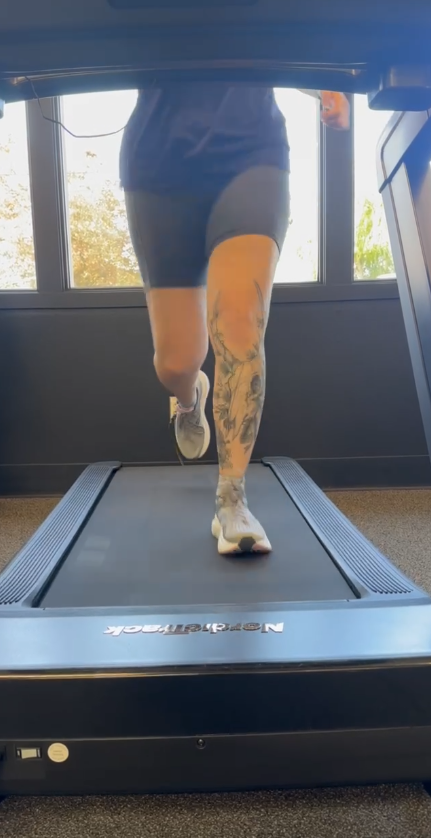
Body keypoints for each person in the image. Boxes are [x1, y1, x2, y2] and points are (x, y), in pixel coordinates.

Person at [120, 86, 349, 555]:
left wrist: (328, 80)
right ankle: (189, 396)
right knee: (176, 361)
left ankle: (232, 498)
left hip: (252, 149)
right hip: (158, 160)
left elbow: (287, 22)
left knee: (240, 322)